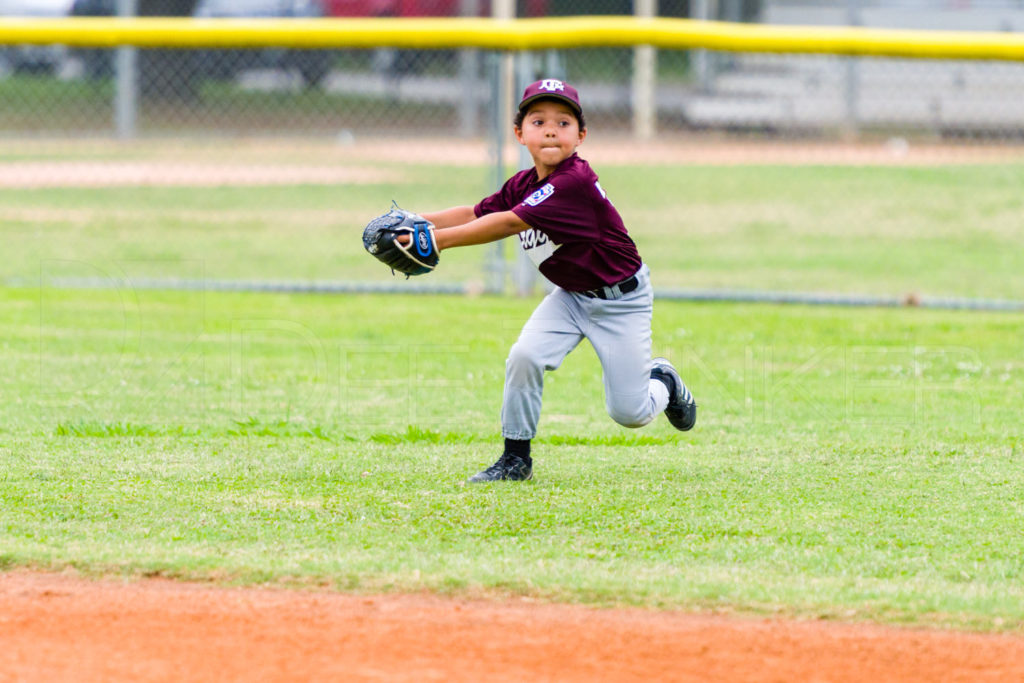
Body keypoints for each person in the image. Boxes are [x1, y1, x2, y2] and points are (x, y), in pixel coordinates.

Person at [411, 78, 696, 482]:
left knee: (630, 413)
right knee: (525, 357)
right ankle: (515, 459)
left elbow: (508, 223)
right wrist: (416, 222)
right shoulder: (524, 184)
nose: (550, 129)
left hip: (620, 302)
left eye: (563, 122)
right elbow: (478, 213)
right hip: (571, 297)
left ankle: (663, 380)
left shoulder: (573, 183)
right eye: (538, 120)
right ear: (519, 133)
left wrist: (433, 243)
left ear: (581, 136)